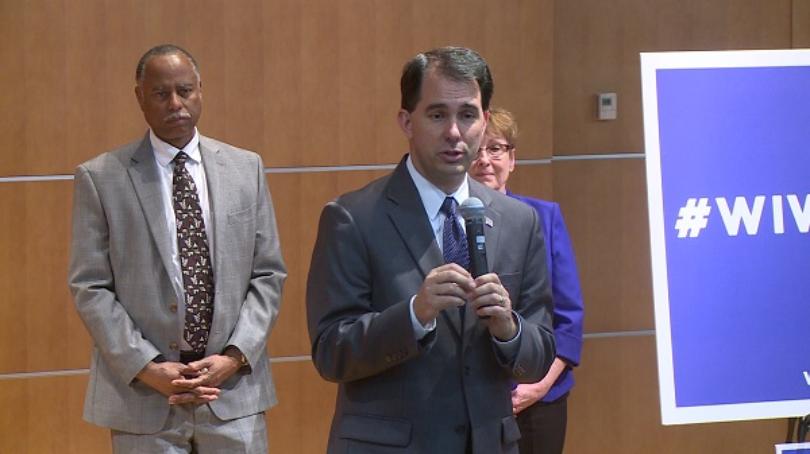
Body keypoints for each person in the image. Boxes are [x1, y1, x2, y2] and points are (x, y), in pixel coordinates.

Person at [306, 47, 556, 454]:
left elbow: (540, 354)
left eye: (468, 115)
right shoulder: (352, 218)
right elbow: (332, 352)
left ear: (485, 121)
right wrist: (414, 315)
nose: (454, 132)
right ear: (407, 121)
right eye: (438, 115)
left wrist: (508, 330)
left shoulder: (518, 222)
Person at [68, 44, 286, 453]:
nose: (175, 104)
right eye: (160, 93)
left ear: (200, 90)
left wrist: (234, 356)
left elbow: (268, 274)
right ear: (139, 97)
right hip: (145, 396)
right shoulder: (101, 178)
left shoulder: (246, 168)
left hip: (232, 392)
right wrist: (147, 367)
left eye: (185, 91)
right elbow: (90, 286)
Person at [469, 107, 584, 454]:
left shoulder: (543, 217)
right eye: (477, 150)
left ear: (512, 159)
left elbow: (569, 316)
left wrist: (539, 385)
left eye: (496, 149)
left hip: (541, 395)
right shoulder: (447, 222)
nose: (485, 160)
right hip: (473, 398)